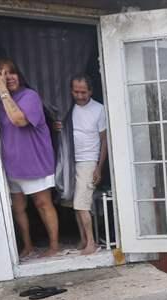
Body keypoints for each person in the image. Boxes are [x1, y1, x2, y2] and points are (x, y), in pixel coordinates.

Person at [0, 58, 60, 258]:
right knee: (18, 207)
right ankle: (27, 246)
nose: (8, 77)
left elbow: (18, 120)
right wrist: (1, 93)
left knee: (42, 204)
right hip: (11, 164)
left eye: (11, 72)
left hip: (35, 161)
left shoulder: (30, 96)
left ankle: (54, 245)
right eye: (2, 74)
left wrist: (2, 89)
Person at [64, 74, 107, 255]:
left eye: (83, 92)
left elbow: (104, 140)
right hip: (70, 159)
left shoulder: (99, 109)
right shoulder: (67, 108)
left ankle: (92, 242)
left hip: (88, 161)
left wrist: (99, 166)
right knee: (75, 203)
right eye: (76, 92)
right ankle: (83, 240)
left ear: (90, 90)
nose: (80, 96)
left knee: (82, 204)